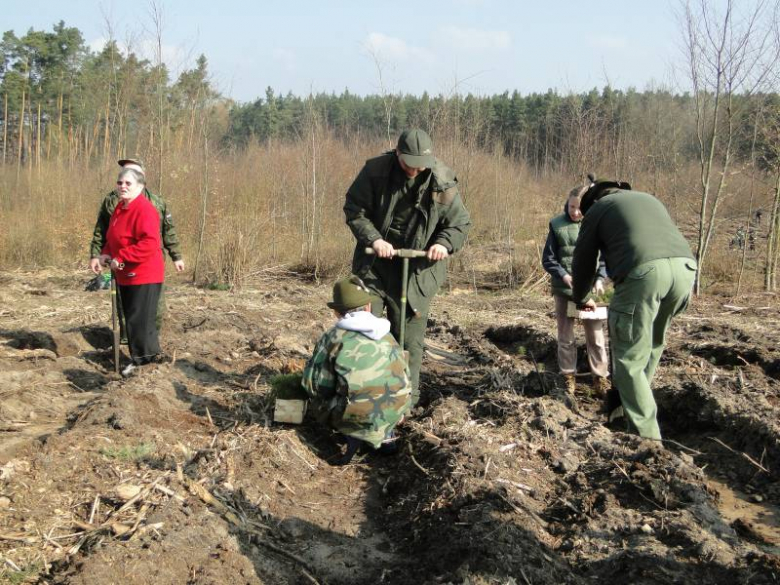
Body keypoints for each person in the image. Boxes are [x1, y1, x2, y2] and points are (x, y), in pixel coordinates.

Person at [344, 129, 471, 406]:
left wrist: (443, 243)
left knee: (409, 341)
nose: (414, 169)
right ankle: (364, 399)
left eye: (419, 164)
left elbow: (459, 223)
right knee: (367, 332)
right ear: (397, 153)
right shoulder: (375, 171)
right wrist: (374, 239)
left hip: (417, 271)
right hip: (375, 267)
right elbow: (355, 209)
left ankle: (406, 401)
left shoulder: (442, 181)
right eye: (408, 163)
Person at [571, 178, 696, 441]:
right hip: (685, 271)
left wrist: (581, 296)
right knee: (649, 345)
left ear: (592, 201)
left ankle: (646, 439)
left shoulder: (598, 209)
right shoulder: (648, 198)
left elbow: (583, 259)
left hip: (645, 274)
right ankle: (628, 410)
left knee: (628, 357)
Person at [302, 276, 412, 464]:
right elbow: (405, 373)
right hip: (396, 408)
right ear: (368, 307)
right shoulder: (387, 334)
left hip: (356, 413)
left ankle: (353, 434)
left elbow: (315, 385)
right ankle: (385, 434)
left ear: (337, 312)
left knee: (318, 402)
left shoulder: (334, 336)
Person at [89, 157, 183, 338]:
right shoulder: (112, 202)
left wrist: (176, 255)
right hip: (121, 264)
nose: (125, 178)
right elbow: (102, 229)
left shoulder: (156, 202)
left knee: (153, 308)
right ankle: (128, 341)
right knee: (125, 307)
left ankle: (149, 342)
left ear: (142, 176)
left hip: (148, 264)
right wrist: (96, 255)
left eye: (132, 172)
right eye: (123, 173)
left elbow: (167, 231)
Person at [97, 168, 166, 377]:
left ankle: (143, 363)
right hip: (124, 275)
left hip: (144, 274)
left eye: (128, 183)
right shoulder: (119, 208)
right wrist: (105, 253)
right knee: (133, 320)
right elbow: (112, 238)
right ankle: (145, 358)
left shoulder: (145, 209)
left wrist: (122, 257)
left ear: (140, 186)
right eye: (120, 183)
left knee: (140, 322)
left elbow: (150, 243)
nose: (122, 186)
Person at [542, 186, 609, 396]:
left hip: (589, 294)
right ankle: (568, 377)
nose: (575, 212)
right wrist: (564, 275)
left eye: (579, 208)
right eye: (572, 207)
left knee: (595, 336)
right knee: (566, 336)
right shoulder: (556, 225)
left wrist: (600, 279)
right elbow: (548, 259)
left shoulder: (597, 224)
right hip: (564, 291)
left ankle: (600, 378)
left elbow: (605, 257)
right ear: (567, 203)